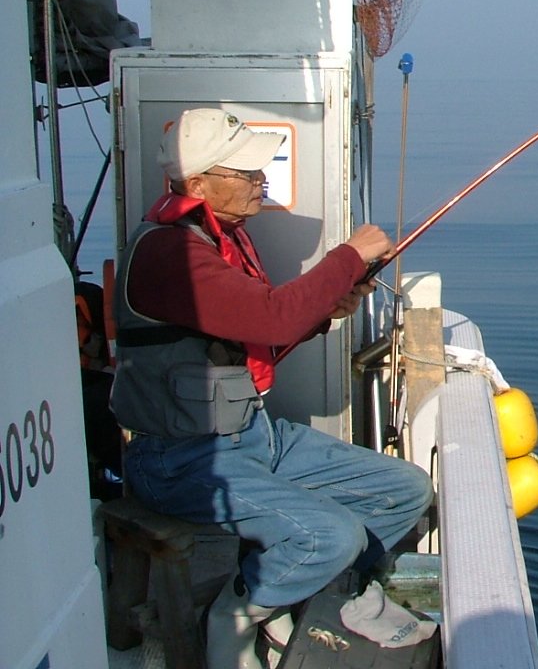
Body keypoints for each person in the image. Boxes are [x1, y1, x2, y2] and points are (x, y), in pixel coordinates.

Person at [110, 108, 432, 669]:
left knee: (405, 488)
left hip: (253, 437)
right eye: (246, 172)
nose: (261, 181)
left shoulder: (220, 238)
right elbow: (273, 318)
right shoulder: (168, 253)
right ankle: (237, 612)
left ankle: (331, 594)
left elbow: (257, 337)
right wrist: (349, 256)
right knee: (330, 535)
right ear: (197, 184)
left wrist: (326, 312)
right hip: (180, 459)